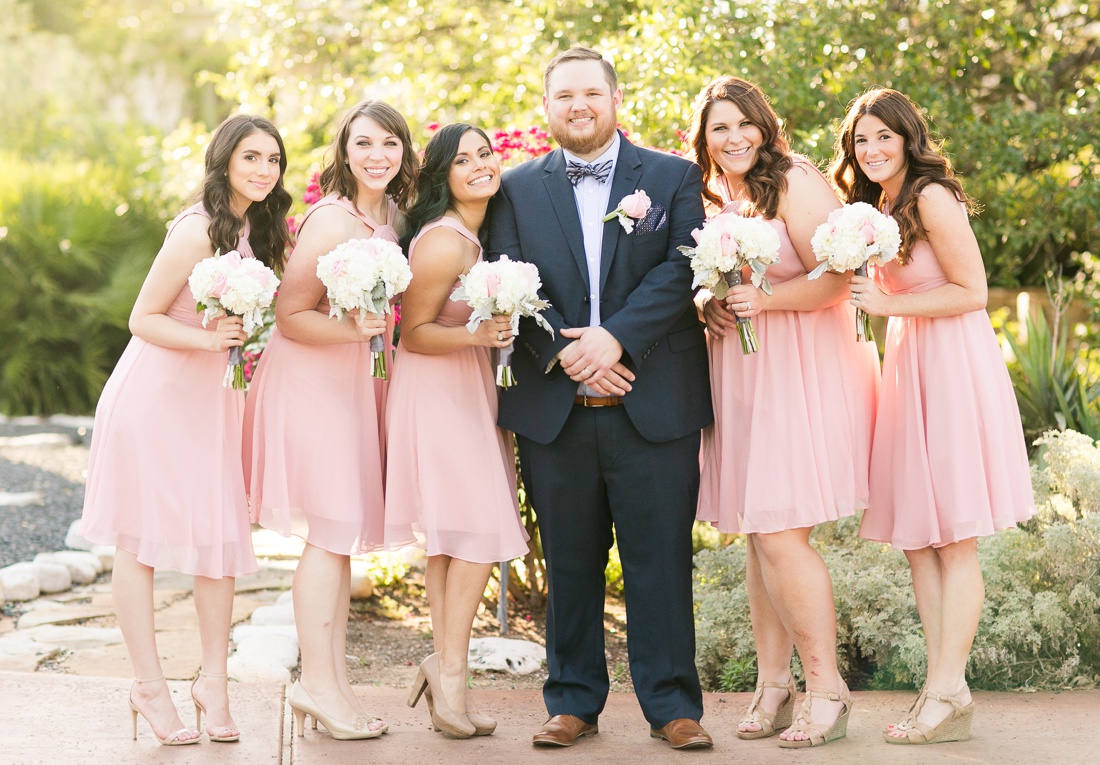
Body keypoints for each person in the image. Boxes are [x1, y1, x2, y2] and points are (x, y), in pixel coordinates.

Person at [488, 47, 714, 750]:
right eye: (563, 96)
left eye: (590, 92)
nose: (577, 105)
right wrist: (566, 353)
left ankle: (673, 705)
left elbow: (682, 270)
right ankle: (573, 699)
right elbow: (507, 280)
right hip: (557, 410)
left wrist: (613, 341)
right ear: (547, 107)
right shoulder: (516, 188)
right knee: (570, 560)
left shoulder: (673, 177)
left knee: (661, 560)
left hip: (654, 403)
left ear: (616, 98)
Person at [79, 114, 292, 746]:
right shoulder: (196, 230)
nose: (263, 170)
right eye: (251, 157)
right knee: (139, 543)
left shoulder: (258, 228)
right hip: (156, 399)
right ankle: (148, 687)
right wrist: (210, 338)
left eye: (274, 160)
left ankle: (212, 684)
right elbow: (141, 318)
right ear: (224, 159)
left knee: (220, 542)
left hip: (212, 405)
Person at [832, 87, 1035, 745]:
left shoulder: (931, 196)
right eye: (861, 140)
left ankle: (946, 687)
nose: (872, 149)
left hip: (951, 364)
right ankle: (946, 687)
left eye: (884, 137)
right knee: (918, 538)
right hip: (908, 365)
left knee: (953, 535)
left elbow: (973, 291)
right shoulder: (875, 206)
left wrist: (891, 308)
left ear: (908, 137)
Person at [687, 76, 879, 749]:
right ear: (704, 139)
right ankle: (773, 683)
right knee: (755, 528)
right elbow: (724, 284)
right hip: (741, 374)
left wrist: (765, 302)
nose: (733, 137)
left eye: (744, 124)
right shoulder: (716, 197)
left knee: (779, 531)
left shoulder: (793, 180)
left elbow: (837, 278)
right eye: (719, 128)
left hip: (799, 374)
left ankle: (827, 688)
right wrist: (710, 303)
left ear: (765, 127)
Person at [242, 99, 417, 741]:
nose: (377, 156)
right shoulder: (330, 220)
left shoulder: (392, 217)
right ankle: (317, 684)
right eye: (364, 144)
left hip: (356, 385)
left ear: (404, 151)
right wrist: (350, 329)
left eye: (389, 144)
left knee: (340, 540)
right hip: (314, 385)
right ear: (344, 152)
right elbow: (289, 316)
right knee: (329, 534)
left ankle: (332, 683)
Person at [385, 123, 530, 739]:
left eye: (486, 154)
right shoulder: (444, 243)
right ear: (441, 175)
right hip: (437, 394)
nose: (479, 165)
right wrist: (476, 335)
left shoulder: (475, 236)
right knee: (476, 534)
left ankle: (446, 678)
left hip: (465, 389)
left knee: (452, 541)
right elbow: (410, 333)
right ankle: (450, 678)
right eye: (462, 159)